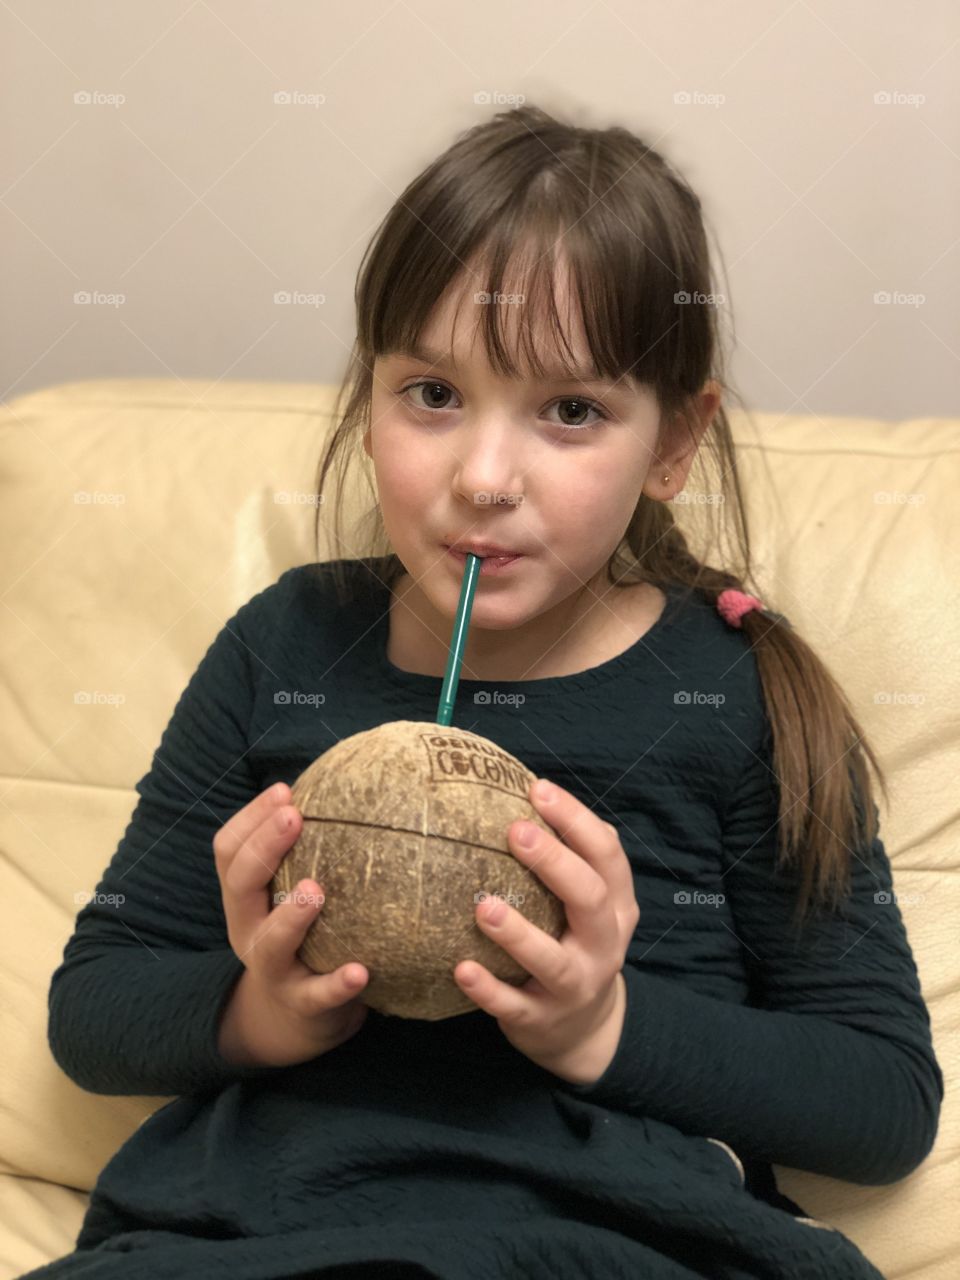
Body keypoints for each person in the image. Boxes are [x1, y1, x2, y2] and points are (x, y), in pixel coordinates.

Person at [24, 104, 941, 1280]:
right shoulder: (285, 646)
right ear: (367, 404)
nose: (485, 477)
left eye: (572, 411)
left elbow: (883, 1098)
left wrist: (601, 1023)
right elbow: (94, 1009)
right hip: (267, 1224)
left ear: (675, 442)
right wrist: (265, 1008)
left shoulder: (736, 692)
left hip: (609, 1236)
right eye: (432, 392)